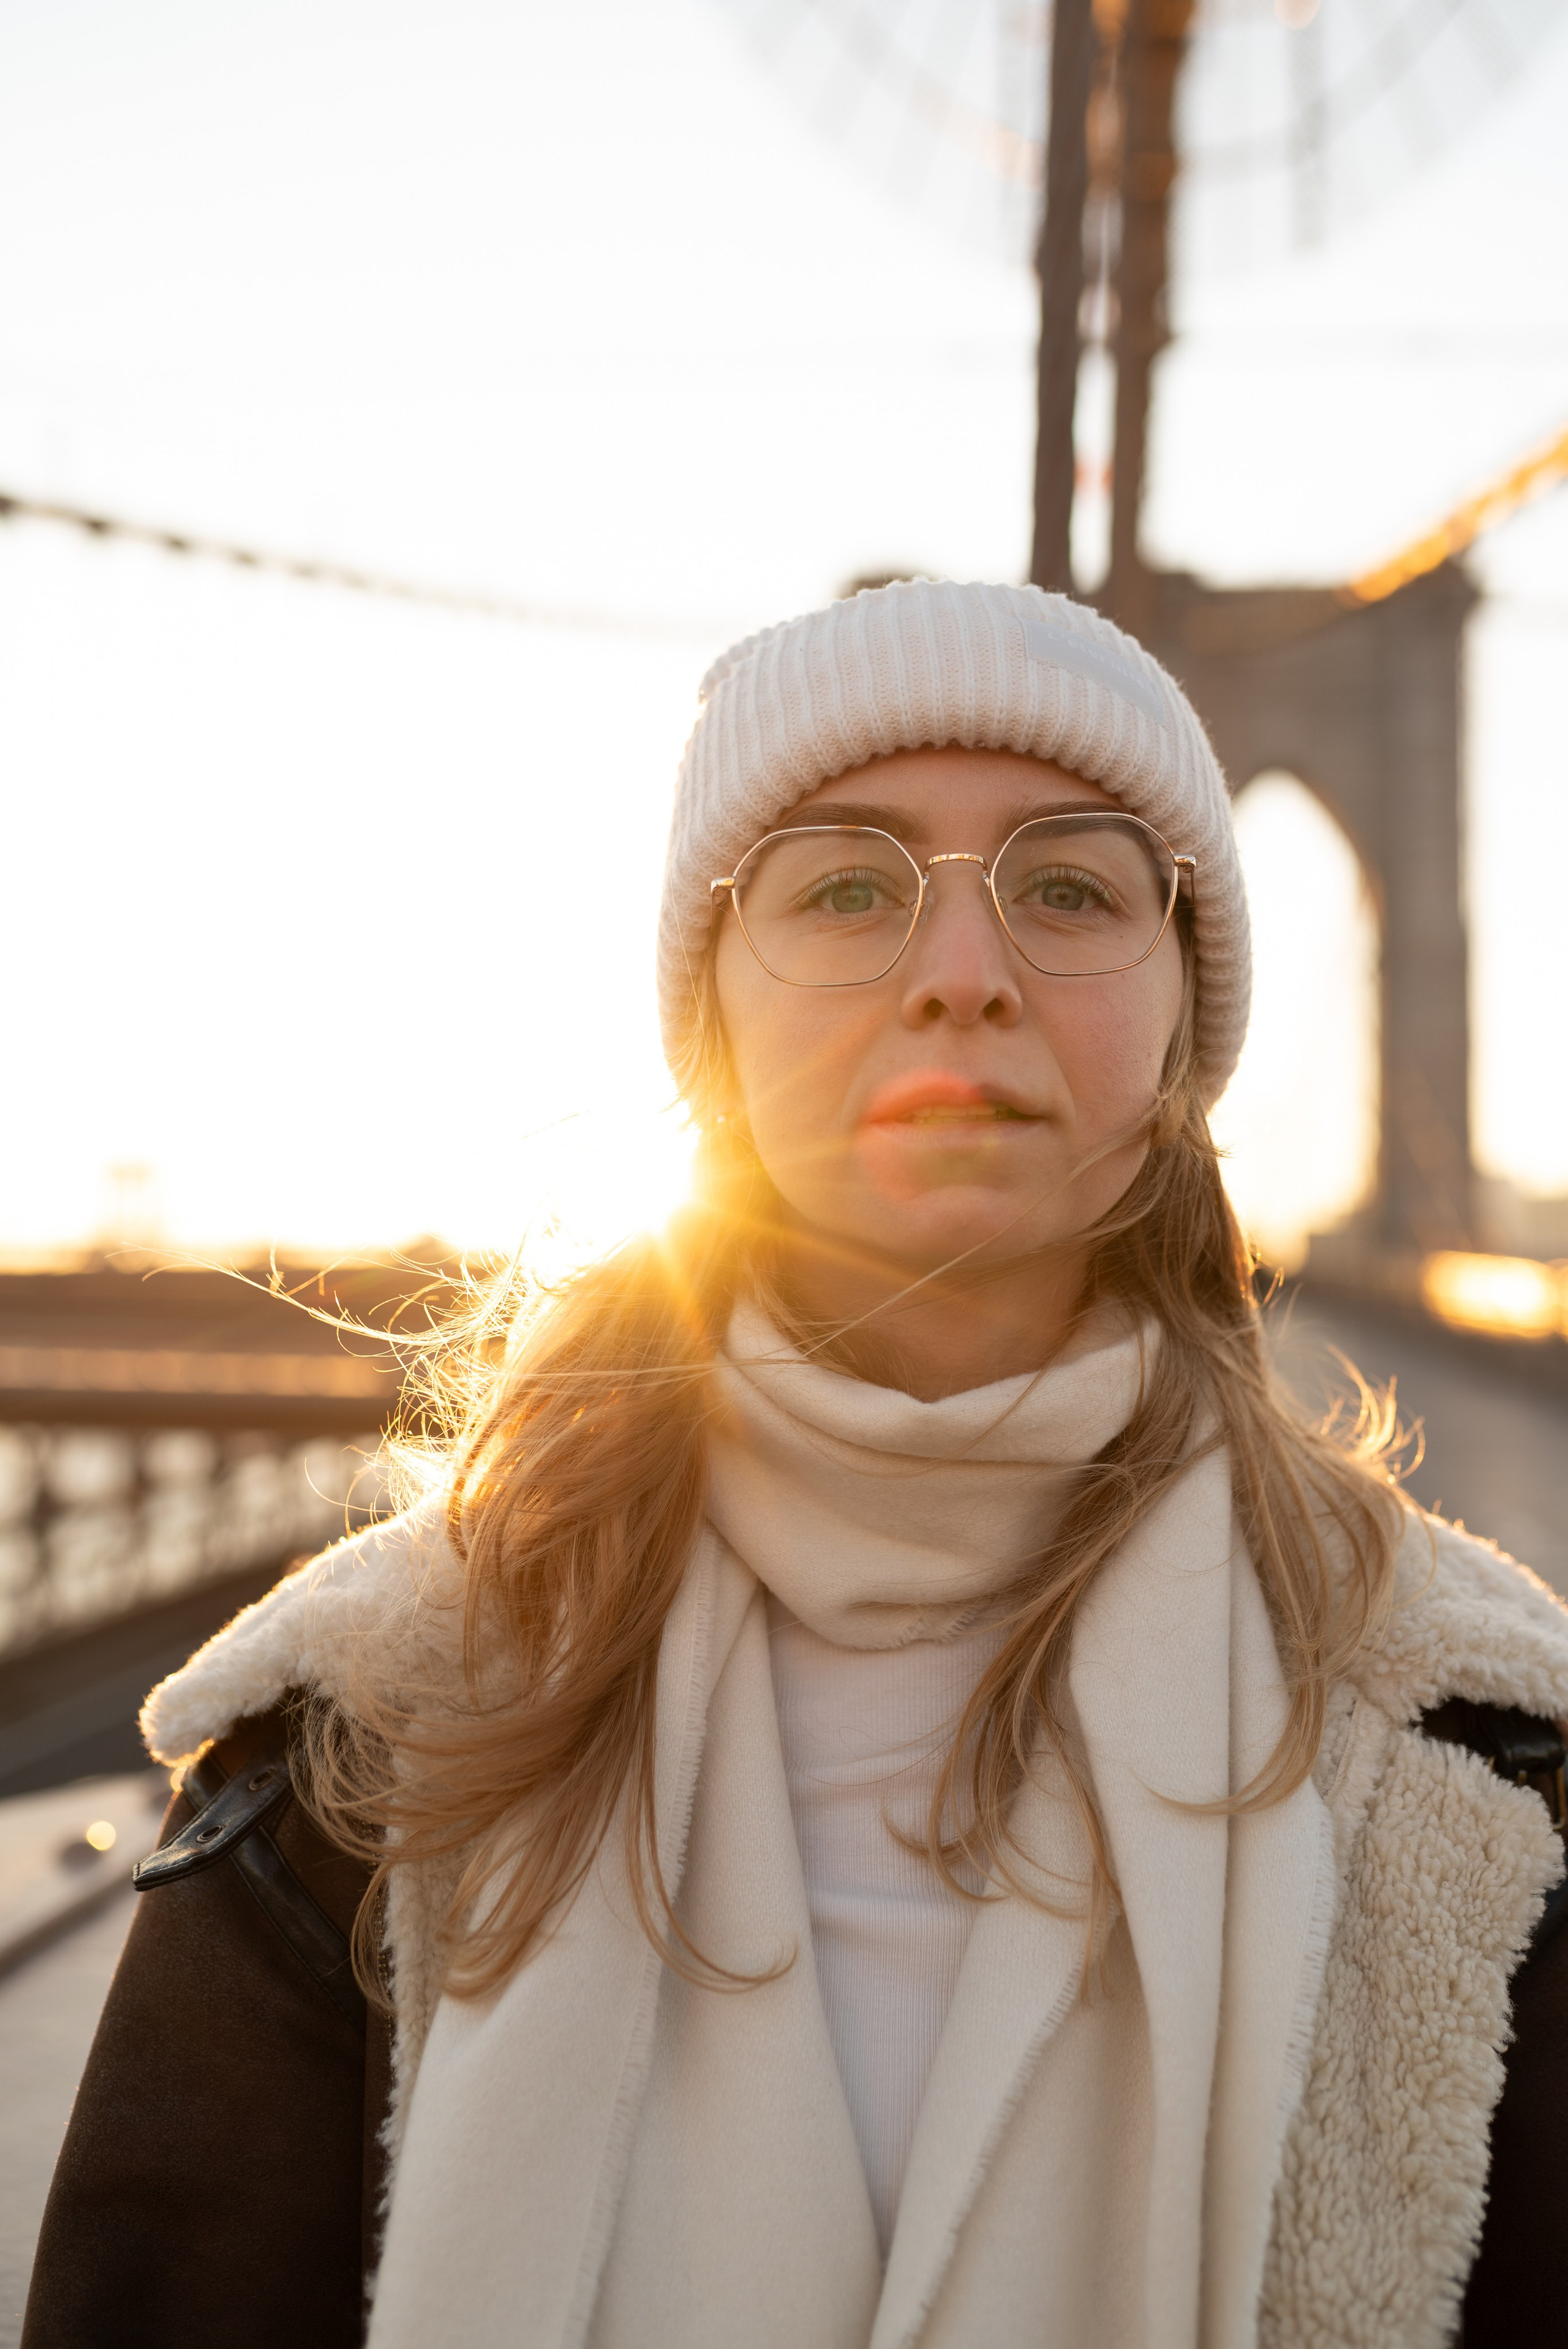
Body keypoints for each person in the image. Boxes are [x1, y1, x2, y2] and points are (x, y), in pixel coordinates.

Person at [23, 579, 1568, 2349]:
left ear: (1179, 1028)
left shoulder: (1484, 1759)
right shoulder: (357, 1753)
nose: (963, 975)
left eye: (1070, 888)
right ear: (716, 1032)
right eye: (846, 885)